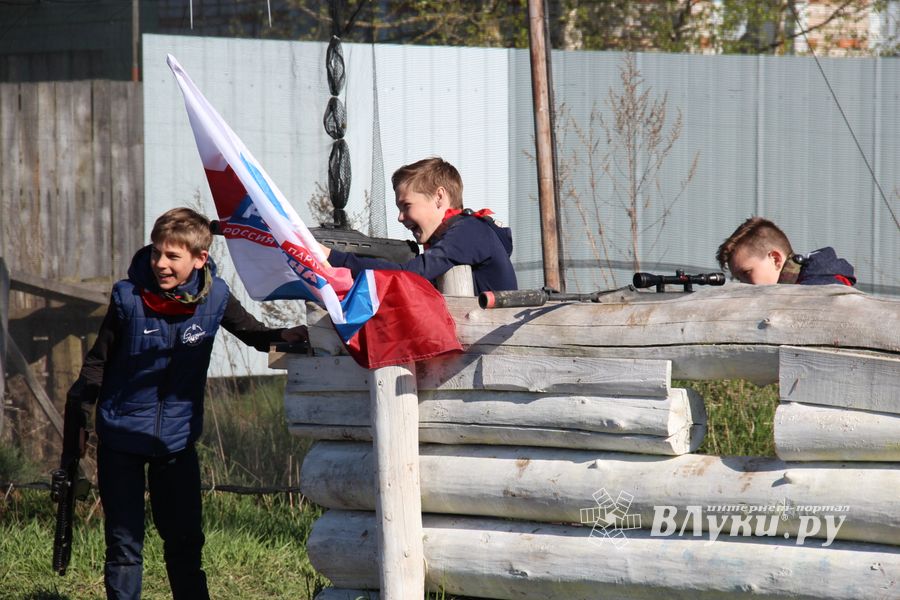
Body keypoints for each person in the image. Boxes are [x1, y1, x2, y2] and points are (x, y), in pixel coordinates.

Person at [61, 207, 307, 600]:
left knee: (186, 542)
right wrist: (79, 426)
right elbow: (96, 366)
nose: (160, 263)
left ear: (199, 259)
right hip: (121, 438)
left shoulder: (217, 297)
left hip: (176, 442)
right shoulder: (128, 298)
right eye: (157, 252)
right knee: (125, 547)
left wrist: (289, 335)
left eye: (172, 256)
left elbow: (255, 335)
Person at [321, 157, 517, 295]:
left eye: (406, 206)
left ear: (439, 197)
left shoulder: (469, 232)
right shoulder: (461, 235)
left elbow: (408, 275)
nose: (400, 217)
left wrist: (334, 257)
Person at [716, 216, 856, 286]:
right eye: (739, 279)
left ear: (775, 259)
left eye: (747, 273)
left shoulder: (821, 289)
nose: (744, 285)